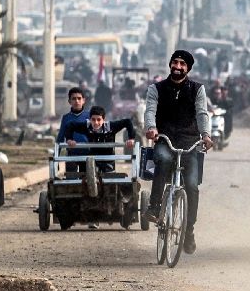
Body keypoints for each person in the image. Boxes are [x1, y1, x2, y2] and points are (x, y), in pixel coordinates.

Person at [144, 50, 213, 255]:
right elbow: (150, 111)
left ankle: (188, 230)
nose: (178, 66)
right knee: (163, 159)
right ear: (170, 64)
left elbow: (202, 113)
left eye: (183, 64)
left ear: (188, 68)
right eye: (175, 62)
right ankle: (154, 207)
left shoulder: (197, 89)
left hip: (190, 143)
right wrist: (151, 128)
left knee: (191, 186)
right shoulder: (156, 89)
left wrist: (206, 135)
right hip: (165, 139)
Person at [63, 105, 138, 174]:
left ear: (103, 119)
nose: (96, 123)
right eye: (93, 119)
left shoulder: (110, 127)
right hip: (93, 159)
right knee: (85, 170)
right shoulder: (87, 126)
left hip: (108, 160)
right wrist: (69, 139)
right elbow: (70, 125)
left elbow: (127, 122)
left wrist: (131, 138)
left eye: (99, 120)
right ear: (90, 119)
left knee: (109, 180)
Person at [57, 87, 89, 174]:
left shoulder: (90, 116)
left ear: (83, 100)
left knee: (87, 179)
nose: (77, 101)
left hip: (88, 154)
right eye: (74, 99)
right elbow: (60, 137)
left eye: (79, 98)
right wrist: (56, 158)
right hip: (71, 154)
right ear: (69, 101)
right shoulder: (66, 118)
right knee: (71, 179)